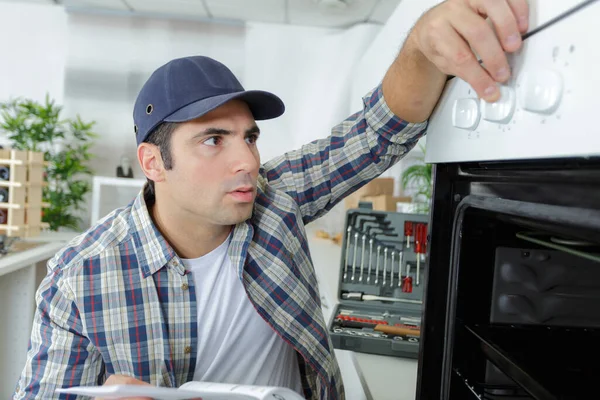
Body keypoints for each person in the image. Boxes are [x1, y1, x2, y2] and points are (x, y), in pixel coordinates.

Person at [13, 1, 529, 399]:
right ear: (153, 163)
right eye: (214, 140)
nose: (247, 161)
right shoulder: (78, 281)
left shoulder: (272, 200)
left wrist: (421, 45)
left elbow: (376, 133)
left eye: (250, 138)